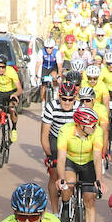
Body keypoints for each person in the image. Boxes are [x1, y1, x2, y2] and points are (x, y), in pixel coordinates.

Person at [58, 106, 107, 222]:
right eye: (92, 125)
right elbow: (61, 158)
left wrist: (99, 180)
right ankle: (66, 206)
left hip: (88, 162)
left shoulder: (97, 132)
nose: (95, 127)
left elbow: (97, 158)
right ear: (81, 125)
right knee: (69, 183)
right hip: (70, 161)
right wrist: (61, 178)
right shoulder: (65, 131)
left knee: (90, 199)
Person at [39, 80, 80, 214]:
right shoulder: (51, 107)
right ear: (59, 97)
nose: (67, 102)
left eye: (70, 99)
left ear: (75, 98)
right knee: (55, 173)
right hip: (56, 139)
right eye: (64, 99)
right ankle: (56, 212)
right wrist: (50, 156)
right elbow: (44, 135)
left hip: (73, 140)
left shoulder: (80, 108)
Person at [0, 53, 23, 143]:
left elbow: (19, 89)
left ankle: (14, 128)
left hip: (11, 92)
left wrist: (15, 94)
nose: (0, 69)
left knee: (11, 109)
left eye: (3, 67)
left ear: (5, 66)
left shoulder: (11, 71)